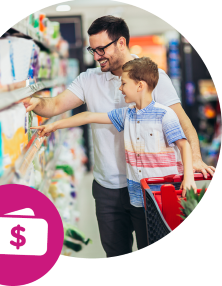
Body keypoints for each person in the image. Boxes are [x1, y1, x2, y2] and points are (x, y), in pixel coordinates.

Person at [19, 16, 216, 257]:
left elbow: (182, 123)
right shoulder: (88, 79)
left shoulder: (152, 76)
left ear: (121, 43)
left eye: (102, 49)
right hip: (107, 188)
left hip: (151, 187)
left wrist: (194, 158)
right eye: (92, 49)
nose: (96, 56)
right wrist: (33, 101)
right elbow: (56, 106)